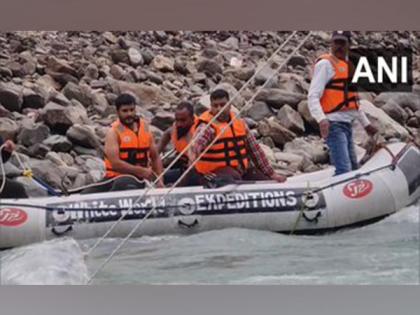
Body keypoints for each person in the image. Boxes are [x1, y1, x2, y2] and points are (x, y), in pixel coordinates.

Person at [308, 31, 378, 176]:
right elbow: (313, 95)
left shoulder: (348, 67)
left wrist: (366, 124)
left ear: (348, 45)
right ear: (331, 43)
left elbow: (353, 102)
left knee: (353, 168)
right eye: (336, 42)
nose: (338, 46)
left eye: (342, 43)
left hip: (347, 125)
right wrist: (322, 120)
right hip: (333, 125)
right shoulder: (325, 64)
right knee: (344, 170)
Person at [189, 89, 286, 186]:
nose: (219, 109)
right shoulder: (207, 127)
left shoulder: (240, 124)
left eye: (223, 105)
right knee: (233, 177)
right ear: (211, 107)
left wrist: (271, 174)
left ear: (230, 105)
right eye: (215, 106)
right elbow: (197, 143)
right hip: (213, 173)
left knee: (261, 178)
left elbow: (256, 151)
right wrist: (193, 154)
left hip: (240, 170)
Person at [82, 93, 163, 194]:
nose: (129, 114)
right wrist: (140, 171)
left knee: (123, 184)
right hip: (115, 177)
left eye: (131, 110)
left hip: (139, 179)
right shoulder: (114, 132)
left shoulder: (145, 128)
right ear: (117, 112)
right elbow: (116, 164)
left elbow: (155, 157)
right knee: (86, 194)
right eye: (125, 111)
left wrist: (160, 181)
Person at [157, 101, 198, 185]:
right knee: (158, 178)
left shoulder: (198, 134)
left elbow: (192, 168)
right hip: (182, 170)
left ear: (192, 119)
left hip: (198, 174)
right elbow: (167, 134)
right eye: (177, 120)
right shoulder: (175, 129)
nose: (179, 124)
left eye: (183, 120)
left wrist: (177, 187)